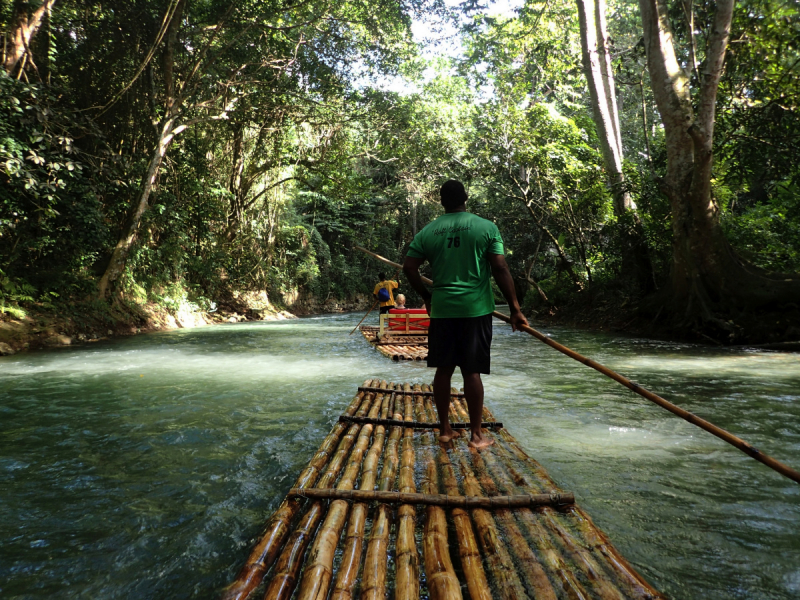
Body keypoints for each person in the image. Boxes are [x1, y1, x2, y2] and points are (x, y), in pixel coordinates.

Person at [403, 180, 528, 450]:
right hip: (476, 311)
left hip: (443, 310)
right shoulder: (486, 227)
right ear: (466, 198)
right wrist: (515, 309)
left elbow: (410, 267)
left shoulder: (428, 231)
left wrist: (426, 297)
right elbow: (500, 267)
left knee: (443, 371)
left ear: (441, 201)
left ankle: (445, 430)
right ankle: (476, 435)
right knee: (472, 373)